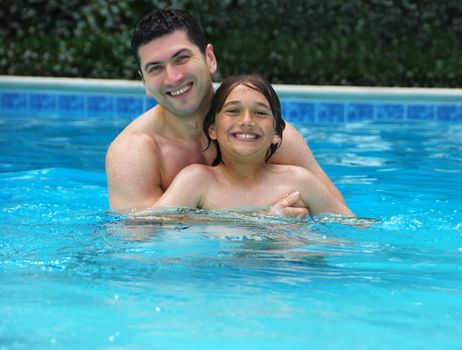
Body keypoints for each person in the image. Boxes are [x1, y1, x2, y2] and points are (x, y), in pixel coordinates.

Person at [105, 8, 348, 217]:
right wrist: (257, 218)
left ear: (209, 58)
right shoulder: (133, 153)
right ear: (145, 82)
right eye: (155, 68)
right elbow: (135, 240)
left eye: (181, 58)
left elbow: (343, 222)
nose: (173, 77)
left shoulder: (273, 136)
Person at [152, 74, 354, 216]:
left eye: (260, 112)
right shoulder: (197, 181)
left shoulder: (300, 183)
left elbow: (353, 231)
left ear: (276, 133)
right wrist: (263, 218)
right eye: (233, 111)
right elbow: (143, 227)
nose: (247, 120)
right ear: (212, 129)